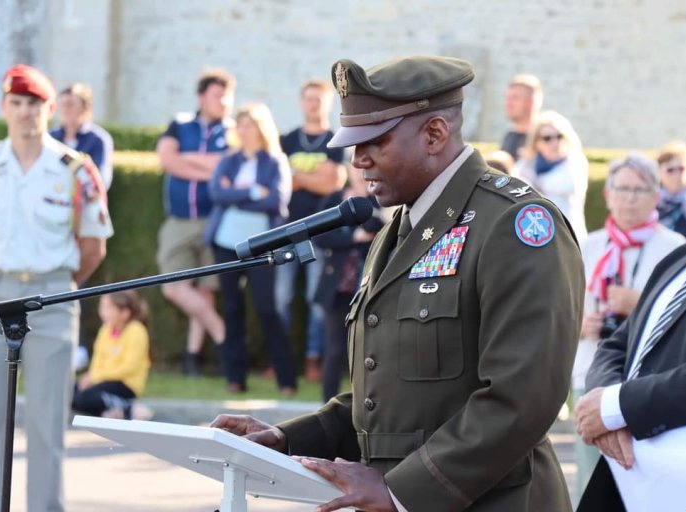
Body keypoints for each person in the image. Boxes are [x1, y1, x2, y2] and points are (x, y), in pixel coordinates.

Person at [212, 55, 584, 512]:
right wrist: (290, 438)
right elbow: (393, 394)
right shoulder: (397, 230)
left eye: (373, 142)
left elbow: (522, 399)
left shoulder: (515, 224)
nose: (357, 159)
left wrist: (400, 490)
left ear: (434, 135)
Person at [575, 113, 686, 511]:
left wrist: (619, 408)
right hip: (631, 487)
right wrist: (604, 403)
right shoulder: (682, 258)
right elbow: (619, 344)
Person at [0, 64, 113, 512]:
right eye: (15, 103)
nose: (24, 113)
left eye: (33, 104)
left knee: (46, 423)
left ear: (50, 108)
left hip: (53, 298)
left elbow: (93, 247)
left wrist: (56, 288)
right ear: (3, 107)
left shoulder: (75, 170)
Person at [572, 153, 685, 494]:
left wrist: (637, 303)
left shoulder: (674, 247)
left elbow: (684, 314)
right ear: (607, 195)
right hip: (589, 371)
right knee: (591, 480)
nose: (629, 198)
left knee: (640, 482)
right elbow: (560, 308)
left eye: (639, 190)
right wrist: (579, 323)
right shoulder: (588, 245)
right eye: (622, 189)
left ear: (655, 196)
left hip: (646, 380)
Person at [204, 102, 297, 395]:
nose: (243, 131)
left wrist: (236, 194)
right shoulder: (229, 160)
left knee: (267, 308)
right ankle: (235, 378)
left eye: (249, 125)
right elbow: (217, 193)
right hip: (225, 243)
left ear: (261, 129)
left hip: (260, 245)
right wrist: (254, 191)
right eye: (240, 125)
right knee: (231, 309)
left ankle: (286, 379)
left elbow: (276, 201)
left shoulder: (275, 161)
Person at [156, 68, 233, 376]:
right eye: (218, 95)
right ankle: (224, 335)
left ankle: (193, 356)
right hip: (179, 220)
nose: (224, 101)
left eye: (228, 95)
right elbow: (167, 160)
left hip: (216, 220)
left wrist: (186, 161)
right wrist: (210, 170)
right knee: (173, 288)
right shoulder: (180, 124)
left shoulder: (233, 130)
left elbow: (226, 164)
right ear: (202, 96)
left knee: (205, 291)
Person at [277, 79, 347, 382]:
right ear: (301, 102)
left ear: (329, 103)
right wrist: (314, 176)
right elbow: (281, 182)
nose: (313, 104)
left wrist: (298, 176)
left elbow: (333, 182)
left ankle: (313, 358)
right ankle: (282, 361)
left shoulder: (336, 141)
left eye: (319, 99)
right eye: (308, 99)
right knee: (281, 298)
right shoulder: (287, 140)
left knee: (315, 301)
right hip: (286, 230)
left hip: (320, 231)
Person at [313, 167, 383, 401]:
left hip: (368, 284)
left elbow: (379, 229)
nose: (361, 172)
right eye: (357, 167)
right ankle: (327, 403)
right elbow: (319, 235)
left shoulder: (380, 200)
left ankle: (365, 403)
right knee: (334, 348)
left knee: (368, 349)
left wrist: (367, 203)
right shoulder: (335, 199)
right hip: (338, 285)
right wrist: (352, 238)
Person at [72, 291, 151, 420]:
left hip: (125, 384)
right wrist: (91, 377)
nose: (102, 312)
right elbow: (98, 360)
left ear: (124, 313)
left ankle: (129, 408)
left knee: (85, 397)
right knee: (70, 391)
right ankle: (113, 412)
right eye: (102, 307)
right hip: (102, 380)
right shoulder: (105, 330)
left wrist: (96, 377)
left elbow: (129, 367)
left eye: (108, 308)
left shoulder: (136, 331)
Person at [514, 110, 589, 241]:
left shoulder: (575, 162)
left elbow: (570, 185)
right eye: (547, 138)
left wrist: (535, 182)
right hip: (534, 236)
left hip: (569, 236)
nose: (555, 142)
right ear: (536, 142)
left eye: (559, 136)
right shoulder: (527, 165)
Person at [50, 82, 115, 188]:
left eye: (70, 104)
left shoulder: (98, 139)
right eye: (62, 104)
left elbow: (100, 179)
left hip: (83, 200)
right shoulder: (50, 137)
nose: (65, 109)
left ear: (85, 108)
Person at [656, 140, 686, 240]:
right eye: (670, 170)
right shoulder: (651, 202)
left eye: (681, 168)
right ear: (659, 172)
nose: (677, 174)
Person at [500, 74, 543, 161]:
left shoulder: (545, 139)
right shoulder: (509, 136)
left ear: (531, 101)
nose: (509, 103)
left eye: (515, 98)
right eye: (507, 98)